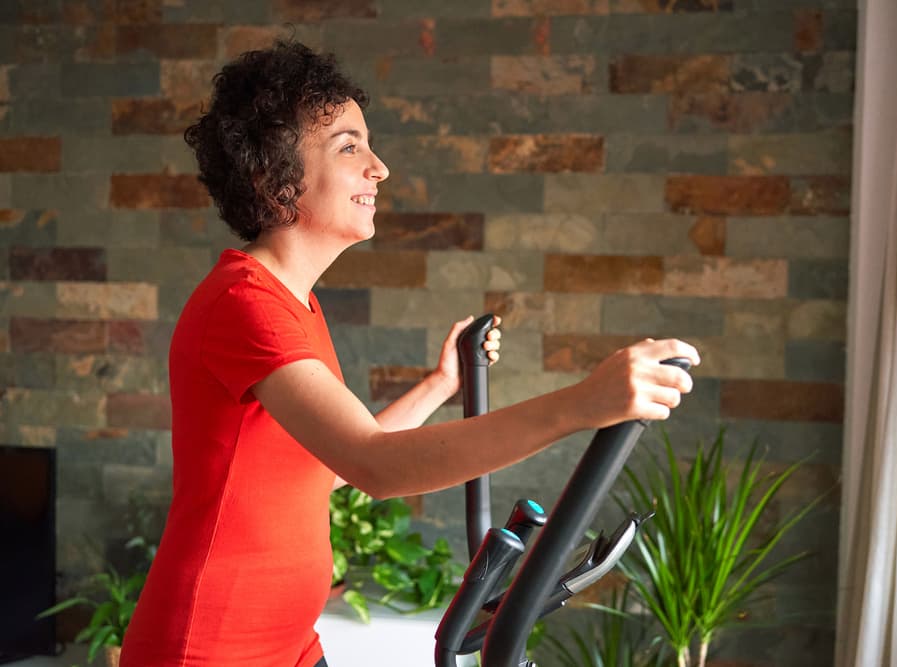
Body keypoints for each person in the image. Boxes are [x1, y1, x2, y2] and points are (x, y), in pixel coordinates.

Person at [118, 39, 699, 667]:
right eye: (349, 146)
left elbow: (333, 465)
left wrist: (440, 383)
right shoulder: (245, 305)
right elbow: (376, 466)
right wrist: (583, 403)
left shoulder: (293, 304)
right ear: (272, 176)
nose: (379, 167)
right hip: (208, 649)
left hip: (289, 645)